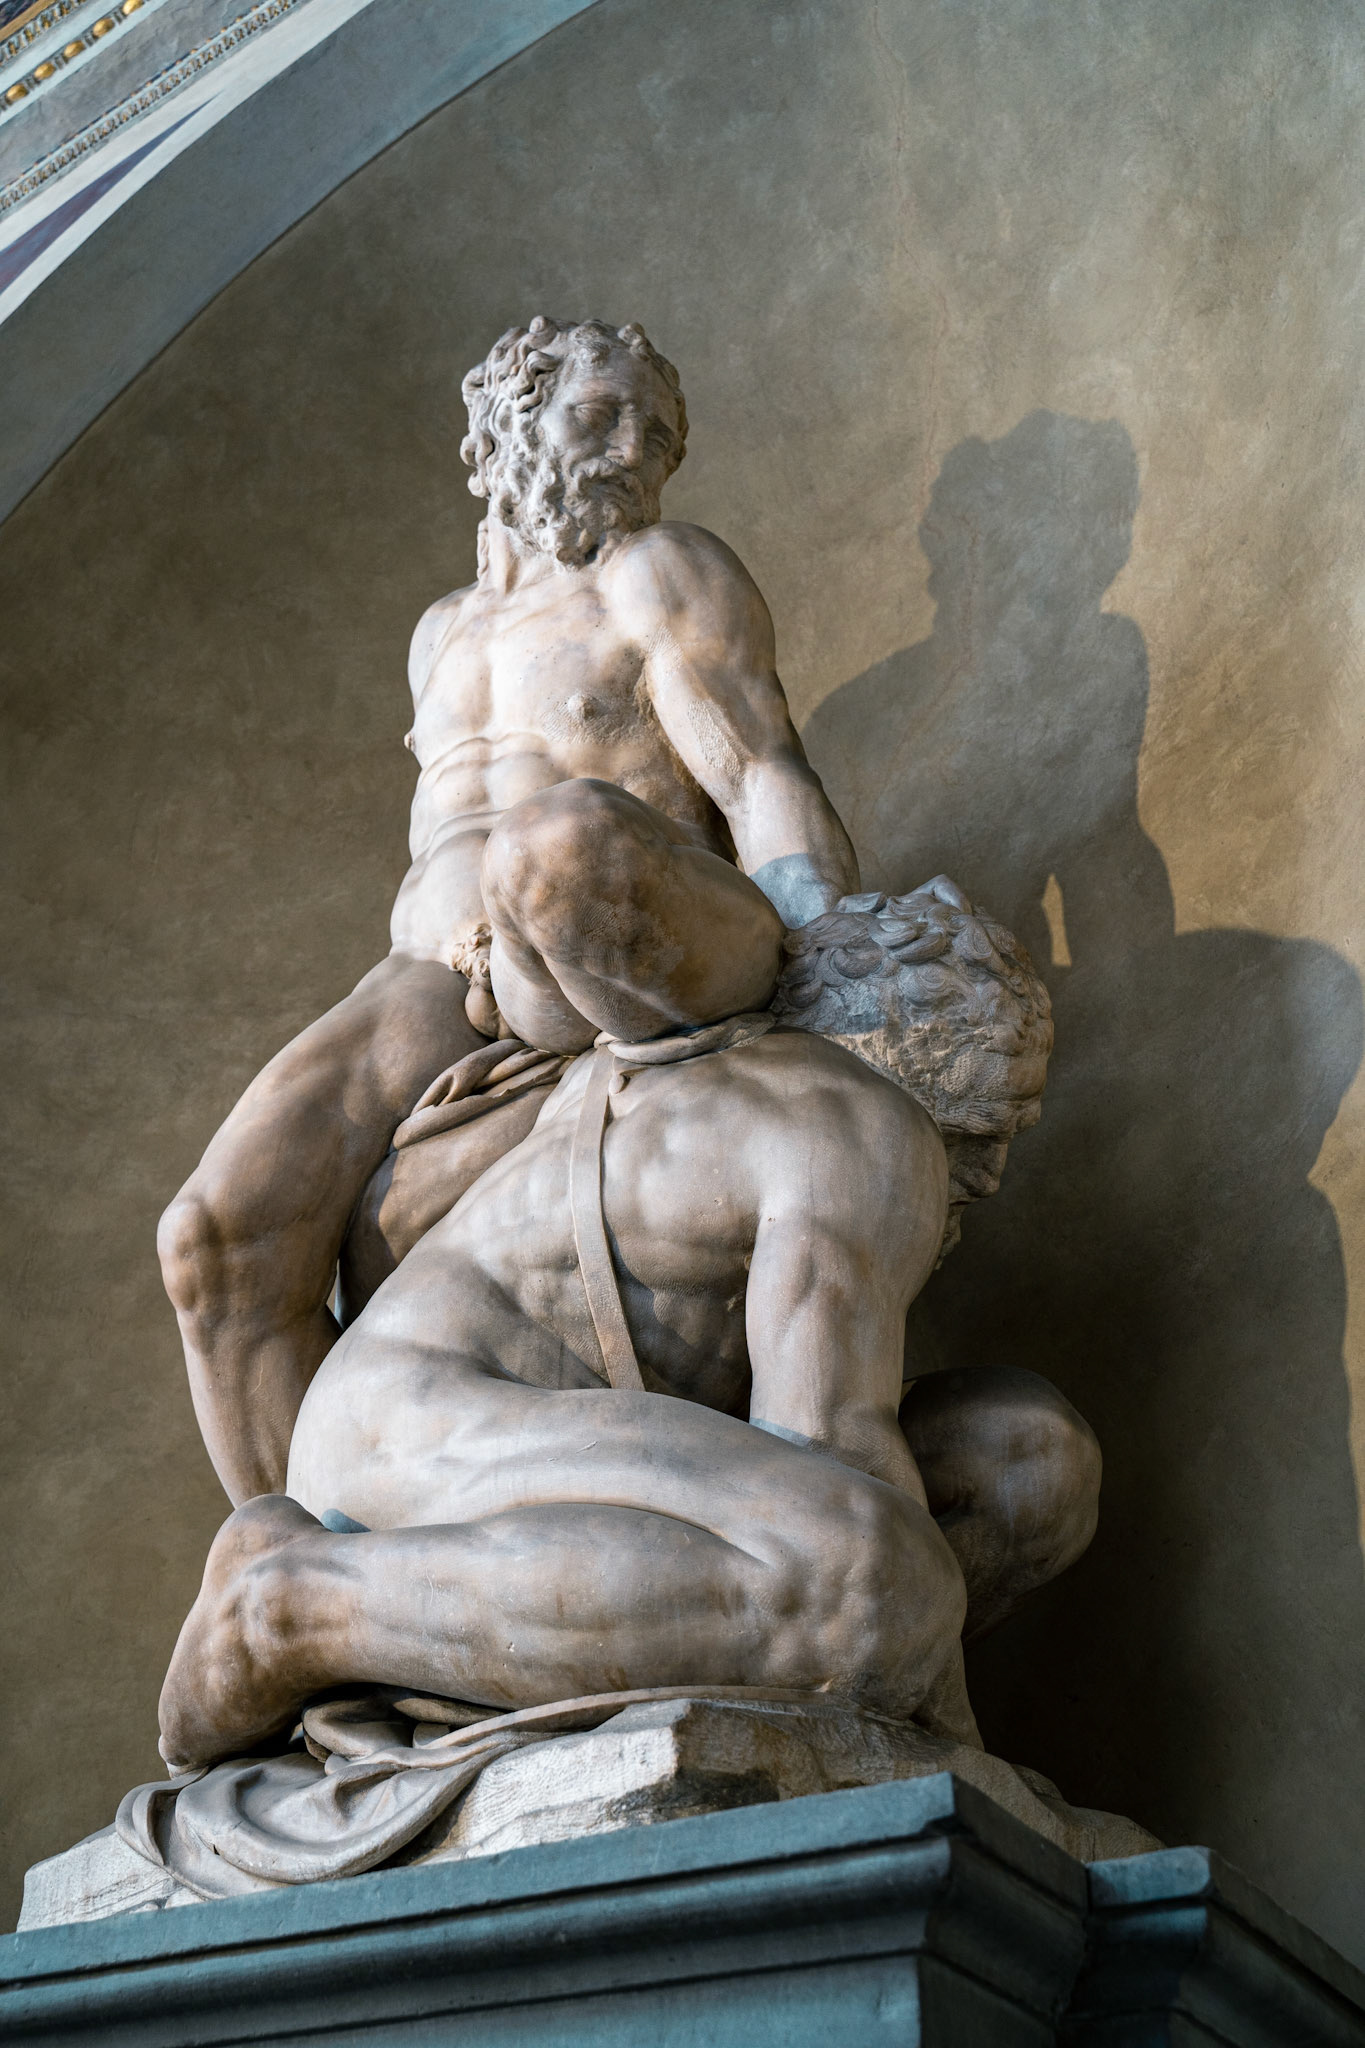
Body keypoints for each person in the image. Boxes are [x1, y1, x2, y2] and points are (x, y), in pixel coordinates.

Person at [158, 316, 859, 1509]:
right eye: (600, 414)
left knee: (552, 847)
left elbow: (759, 776)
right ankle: (320, 1596)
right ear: (505, 428)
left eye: (659, 433)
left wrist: (840, 971)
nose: (632, 449)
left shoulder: (655, 570)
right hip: (429, 972)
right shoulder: (441, 635)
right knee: (213, 1237)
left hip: (602, 933)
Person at [158, 885, 1095, 1777]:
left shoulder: (750, 1086)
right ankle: (286, 1613)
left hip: (524, 1435)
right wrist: (945, 1735)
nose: (986, 1171)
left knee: (1025, 1460)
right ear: (940, 1082)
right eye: (994, 1130)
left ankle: (645, 1650)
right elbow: (832, 1453)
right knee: (865, 1587)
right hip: (413, 1435)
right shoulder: (857, 1121)